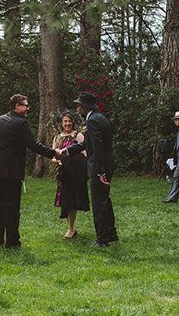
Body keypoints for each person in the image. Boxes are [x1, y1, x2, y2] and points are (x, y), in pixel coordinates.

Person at [0, 94, 60, 249]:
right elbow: (33, 145)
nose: (28, 108)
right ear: (17, 106)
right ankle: (12, 242)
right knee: (11, 208)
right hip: (9, 173)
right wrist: (54, 153)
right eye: (26, 105)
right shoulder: (20, 123)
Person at [63, 92, 118, 247]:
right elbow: (87, 143)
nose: (77, 109)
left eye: (79, 106)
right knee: (105, 201)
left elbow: (97, 147)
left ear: (85, 107)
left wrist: (100, 172)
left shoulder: (92, 121)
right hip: (104, 166)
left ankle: (102, 239)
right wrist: (67, 150)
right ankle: (111, 233)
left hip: (99, 168)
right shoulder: (99, 118)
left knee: (99, 204)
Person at [51, 110, 89, 239]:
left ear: (73, 122)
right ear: (61, 123)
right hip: (63, 174)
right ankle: (71, 228)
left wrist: (71, 161)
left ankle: (71, 229)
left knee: (72, 200)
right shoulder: (57, 138)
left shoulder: (78, 136)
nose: (67, 124)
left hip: (75, 172)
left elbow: (84, 154)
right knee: (65, 200)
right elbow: (53, 156)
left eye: (69, 121)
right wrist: (58, 161)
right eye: (65, 121)